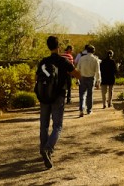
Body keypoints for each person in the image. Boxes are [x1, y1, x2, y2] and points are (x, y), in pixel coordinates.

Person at [36, 35, 80, 169]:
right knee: (57, 126)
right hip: (58, 97)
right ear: (58, 46)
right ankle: (48, 149)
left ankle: (43, 147)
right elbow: (76, 74)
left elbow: (37, 78)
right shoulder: (63, 61)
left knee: (44, 125)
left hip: (44, 97)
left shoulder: (43, 61)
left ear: (48, 46)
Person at [77, 44, 101, 117]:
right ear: (93, 51)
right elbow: (98, 71)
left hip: (82, 77)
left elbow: (78, 69)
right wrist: (98, 81)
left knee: (82, 94)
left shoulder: (82, 58)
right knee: (90, 95)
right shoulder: (95, 59)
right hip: (91, 78)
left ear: (87, 50)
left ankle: (81, 109)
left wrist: (78, 78)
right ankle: (89, 110)